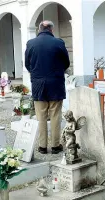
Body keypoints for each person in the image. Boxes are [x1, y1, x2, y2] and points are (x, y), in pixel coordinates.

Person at [25, 20, 70, 154]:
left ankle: (42, 146)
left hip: (38, 83)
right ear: (51, 30)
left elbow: (28, 64)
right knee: (55, 114)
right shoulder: (59, 43)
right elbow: (66, 62)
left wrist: (36, 74)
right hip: (55, 82)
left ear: (39, 29)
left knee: (41, 115)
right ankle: (56, 145)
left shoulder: (31, 43)